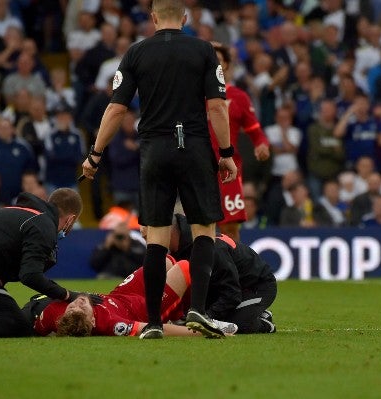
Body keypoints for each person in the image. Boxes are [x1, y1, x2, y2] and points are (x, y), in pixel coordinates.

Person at [80, 0, 237, 340]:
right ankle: (197, 308)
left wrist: (95, 154)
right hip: (194, 146)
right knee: (203, 230)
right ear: (184, 16)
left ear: (152, 18)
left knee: (157, 238)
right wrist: (225, 153)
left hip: (154, 150)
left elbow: (117, 109)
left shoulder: (136, 54)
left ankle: (153, 323)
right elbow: (217, 108)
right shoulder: (204, 51)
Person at [0, 188, 101, 339]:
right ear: (70, 220)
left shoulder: (21, 212)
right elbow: (30, 275)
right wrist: (67, 295)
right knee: (18, 323)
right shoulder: (44, 225)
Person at [23, 259, 238, 337]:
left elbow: (33, 326)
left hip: (122, 294)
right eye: (83, 308)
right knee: (184, 268)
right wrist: (201, 333)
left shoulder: (54, 314)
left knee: (164, 262)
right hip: (143, 309)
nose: (77, 303)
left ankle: (181, 312)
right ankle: (201, 316)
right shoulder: (112, 324)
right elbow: (153, 329)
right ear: (93, 321)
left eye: (72, 307)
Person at [167, 214, 277, 334]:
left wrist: (207, 316)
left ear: (170, 232)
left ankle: (264, 322)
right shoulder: (183, 247)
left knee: (232, 324)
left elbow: (232, 293)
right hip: (225, 286)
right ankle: (246, 311)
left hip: (257, 286)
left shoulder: (212, 250)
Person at [210, 42, 270, 242]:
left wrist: (262, 144)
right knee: (199, 227)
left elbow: (256, 132)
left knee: (230, 228)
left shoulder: (239, 97)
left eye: (217, 61)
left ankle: (233, 271)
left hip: (229, 171)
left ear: (226, 65)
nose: (213, 65)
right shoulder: (191, 96)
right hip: (198, 169)